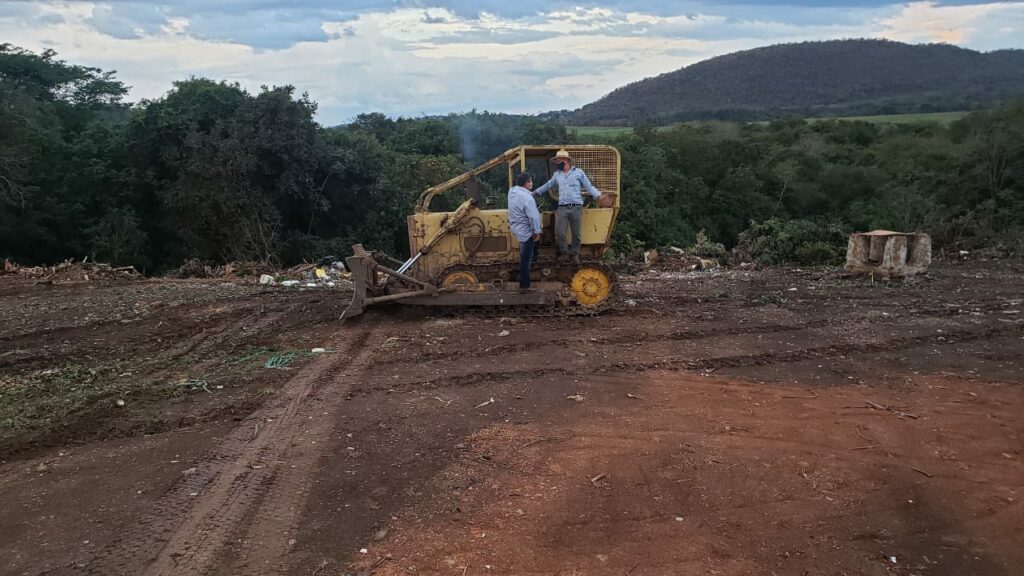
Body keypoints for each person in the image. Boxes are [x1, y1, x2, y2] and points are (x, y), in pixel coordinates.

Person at [533, 149, 601, 265]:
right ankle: (564, 253)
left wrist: (598, 196)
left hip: (576, 206)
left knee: (576, 233)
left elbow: (589, 187)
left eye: (558, 161)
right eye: (556, 161)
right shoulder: (557, 175)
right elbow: (548, 185)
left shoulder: (578, 173)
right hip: (563, 207)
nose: (557, 163)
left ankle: (575, 254)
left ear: (566, 161)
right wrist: (536, 192)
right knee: (560, 233)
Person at [507, 171, 542, 292]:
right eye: (530, 181)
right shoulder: (527, 197)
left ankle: (535, 259)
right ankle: (524, 286)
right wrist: (537, 232)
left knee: (525, 256)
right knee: (526, 258)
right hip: (526, 232)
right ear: (527, 183)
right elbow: (533, 217)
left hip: (517, 229)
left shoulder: (512, 192)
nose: (531, 184)